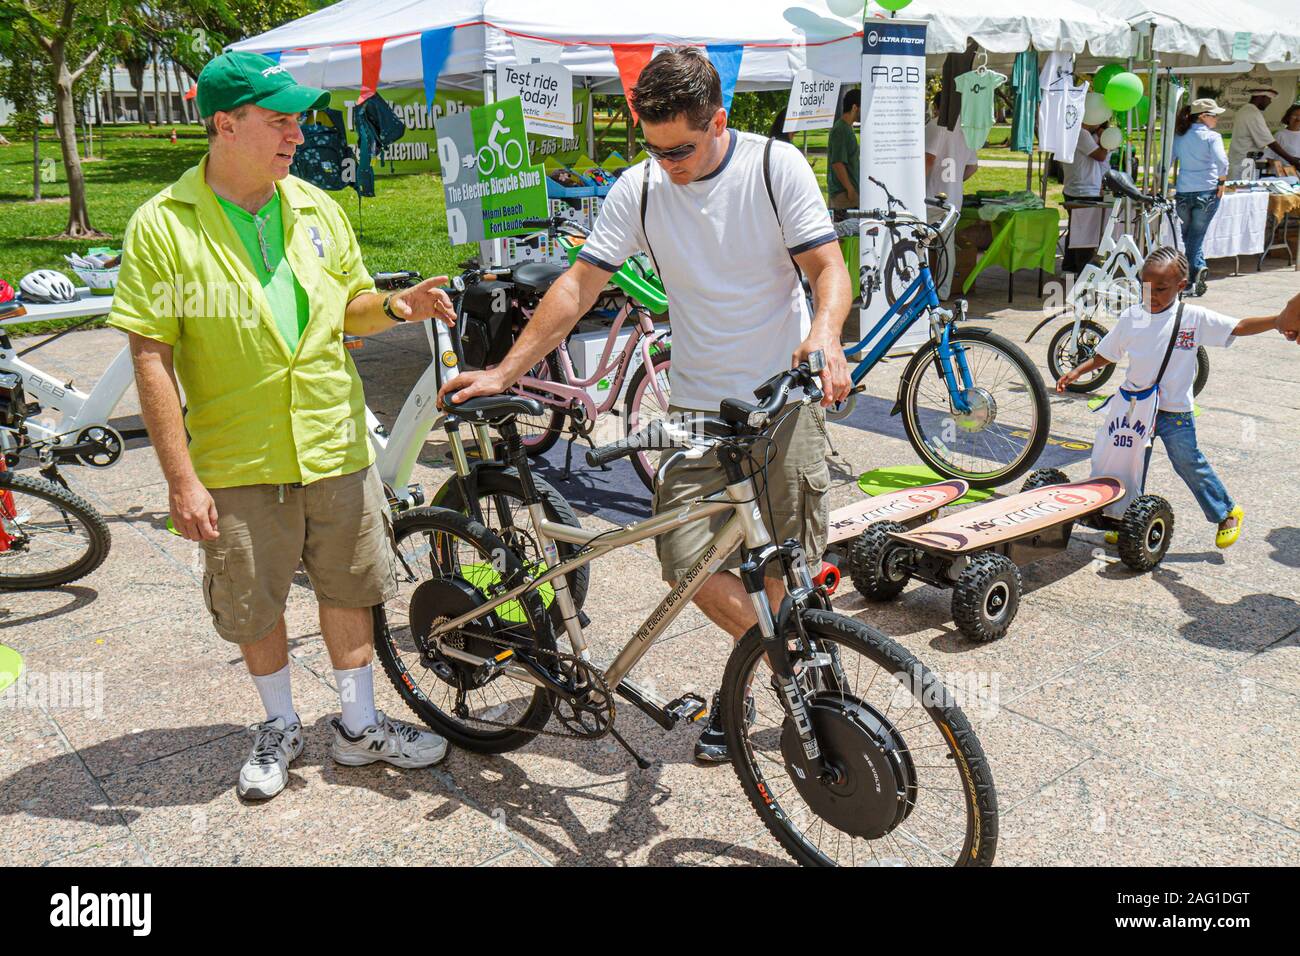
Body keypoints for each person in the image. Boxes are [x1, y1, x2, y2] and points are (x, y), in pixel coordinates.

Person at [438, 47, 852, 764]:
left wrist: (825, 336)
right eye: (653, 149)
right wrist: (505, 372)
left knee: (780, 567)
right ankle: (785, 669)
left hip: (781, 405)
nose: (668, 163)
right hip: (695, 410)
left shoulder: (771, 167)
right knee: (687, 564)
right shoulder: (643, 187)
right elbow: (577, 287)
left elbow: (826, 268)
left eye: (681, 149)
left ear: (718, 120)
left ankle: (788, 691)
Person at [107, 51, 457, 801]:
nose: (296, 135)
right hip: (239, 454)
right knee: (252, 598)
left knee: (350, 582)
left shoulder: (316, 207)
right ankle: (278, 724)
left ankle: (360, 728)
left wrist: (398, 306)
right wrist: (179, 476)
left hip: (332, 437)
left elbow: (351, 307)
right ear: (225, 125)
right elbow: (150, 354)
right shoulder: (164, 225)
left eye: (297, 120)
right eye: (278, 121)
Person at [1056, 247, 1296, 548]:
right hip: (1136, 408)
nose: (1152, 295)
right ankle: (1127, 521)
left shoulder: (1192, 318)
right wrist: (1079, 370)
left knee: (1187, 462)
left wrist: (1277, 321)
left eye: (1161, 289)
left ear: (1181, 286)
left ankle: (1226, 511)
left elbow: (1238, 326)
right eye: (1146, 287)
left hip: (1174, 411)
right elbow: (1107, 352)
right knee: (1127, 465)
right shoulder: (1133, 317)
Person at [1171, 98, 1230, 296]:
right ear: (1203, 117)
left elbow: (1166, 161)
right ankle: (1191, 276)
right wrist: (1221, 181)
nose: (1217, 119)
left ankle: (1197, 268)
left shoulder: (1179, 137)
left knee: (1189, 235)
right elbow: (1222, 161)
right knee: (1195, 237)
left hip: (1183, 192)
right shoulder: (1212, 137)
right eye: (1214, 115)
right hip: (1207, 190)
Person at [924, 95, 979, 297]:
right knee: (947, 249)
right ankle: (943, 291)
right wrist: (955, 181)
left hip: (930, 197)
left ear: (938, 107)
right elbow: (973, 167)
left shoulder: (935, 126)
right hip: (953, 198)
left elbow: (928, 159)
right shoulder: (966, 131)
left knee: (916, 242)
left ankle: (915, 290)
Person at [1061, 120, 1112, 275]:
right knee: (1086, 235)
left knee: (1076, 230)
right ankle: (1083, 272)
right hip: (1084, 190)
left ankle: (1069, 268)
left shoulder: (1071, 130)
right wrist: (1104, 142)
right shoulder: (1081, 133)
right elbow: (1100, 156)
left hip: (1076, 187)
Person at [1228, 88, 1299, 178]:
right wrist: (1292, 160)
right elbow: (1270, 142)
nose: (1270, 102)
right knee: (1242, 189)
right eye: (1269, 99)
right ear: (1261, 97)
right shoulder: (1252, 114)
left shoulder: (1245, 110)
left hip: (1241, 161)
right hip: (1244, 164)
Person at [827, 88, 860, 220]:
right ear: (854, 107)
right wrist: (850, 189)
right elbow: (837, 163)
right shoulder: (840, 129)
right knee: (847, 237)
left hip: (847, 195)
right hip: (843, 196)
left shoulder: (846, 128)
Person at [1265, 103, 1300, 171]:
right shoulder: (1280, 135)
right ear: (1288, 117)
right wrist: (1281, 171)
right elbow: (1269, 157)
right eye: (1295, 115)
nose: (1298, 119)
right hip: (1285, 178)